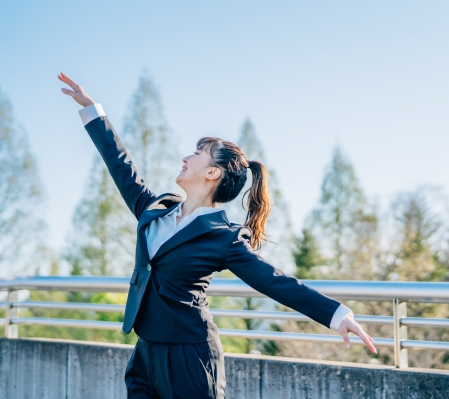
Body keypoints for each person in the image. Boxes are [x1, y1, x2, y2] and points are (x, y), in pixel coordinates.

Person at [58, 72, 377, 399]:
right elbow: (121, 166)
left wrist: (337, 315)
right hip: (145, 353)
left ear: (213, 172)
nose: (186, 157)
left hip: (191, 359)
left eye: (197, 153)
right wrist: (92, 110)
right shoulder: (154, 210)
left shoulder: (224, 237)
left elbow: (274, 281)